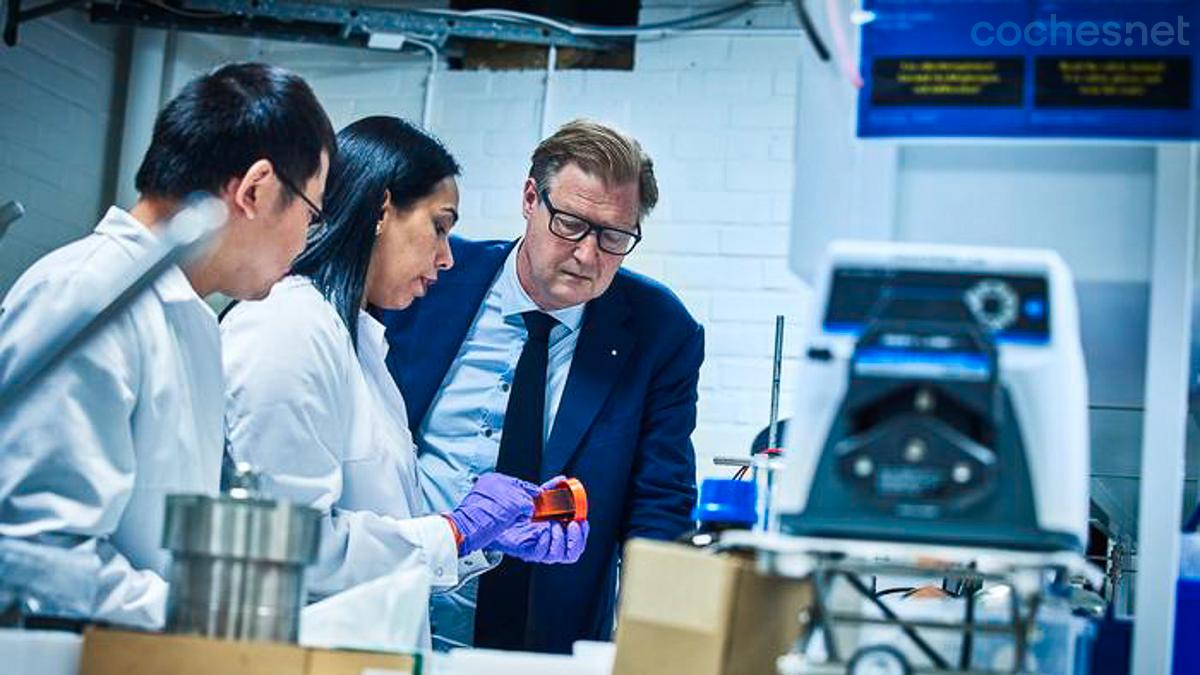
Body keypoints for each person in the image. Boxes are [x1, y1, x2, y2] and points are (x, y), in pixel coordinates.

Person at [220, 116, 588, 643]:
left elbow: (379, 527)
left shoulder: (358, 346)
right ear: (380, 209)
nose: (448, 256)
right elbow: (284, 546)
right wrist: (454, 531)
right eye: (439, 226)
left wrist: (481, 534)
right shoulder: (288, 328)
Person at [0, 62, 335, 629]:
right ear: (256, 189)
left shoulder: (190, 318)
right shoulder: (87, 294)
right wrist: (197, 617)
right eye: (312, 212)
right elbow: (37, 556)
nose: (307, 239)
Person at [380, 119, 703, 653]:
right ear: (531, 199)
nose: (587, 255)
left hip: (545, 643)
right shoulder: (433, 279)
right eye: (571, 224)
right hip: (394, 615)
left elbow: (659, 507)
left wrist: (655, 648)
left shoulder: (660, 331)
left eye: (615, 237)